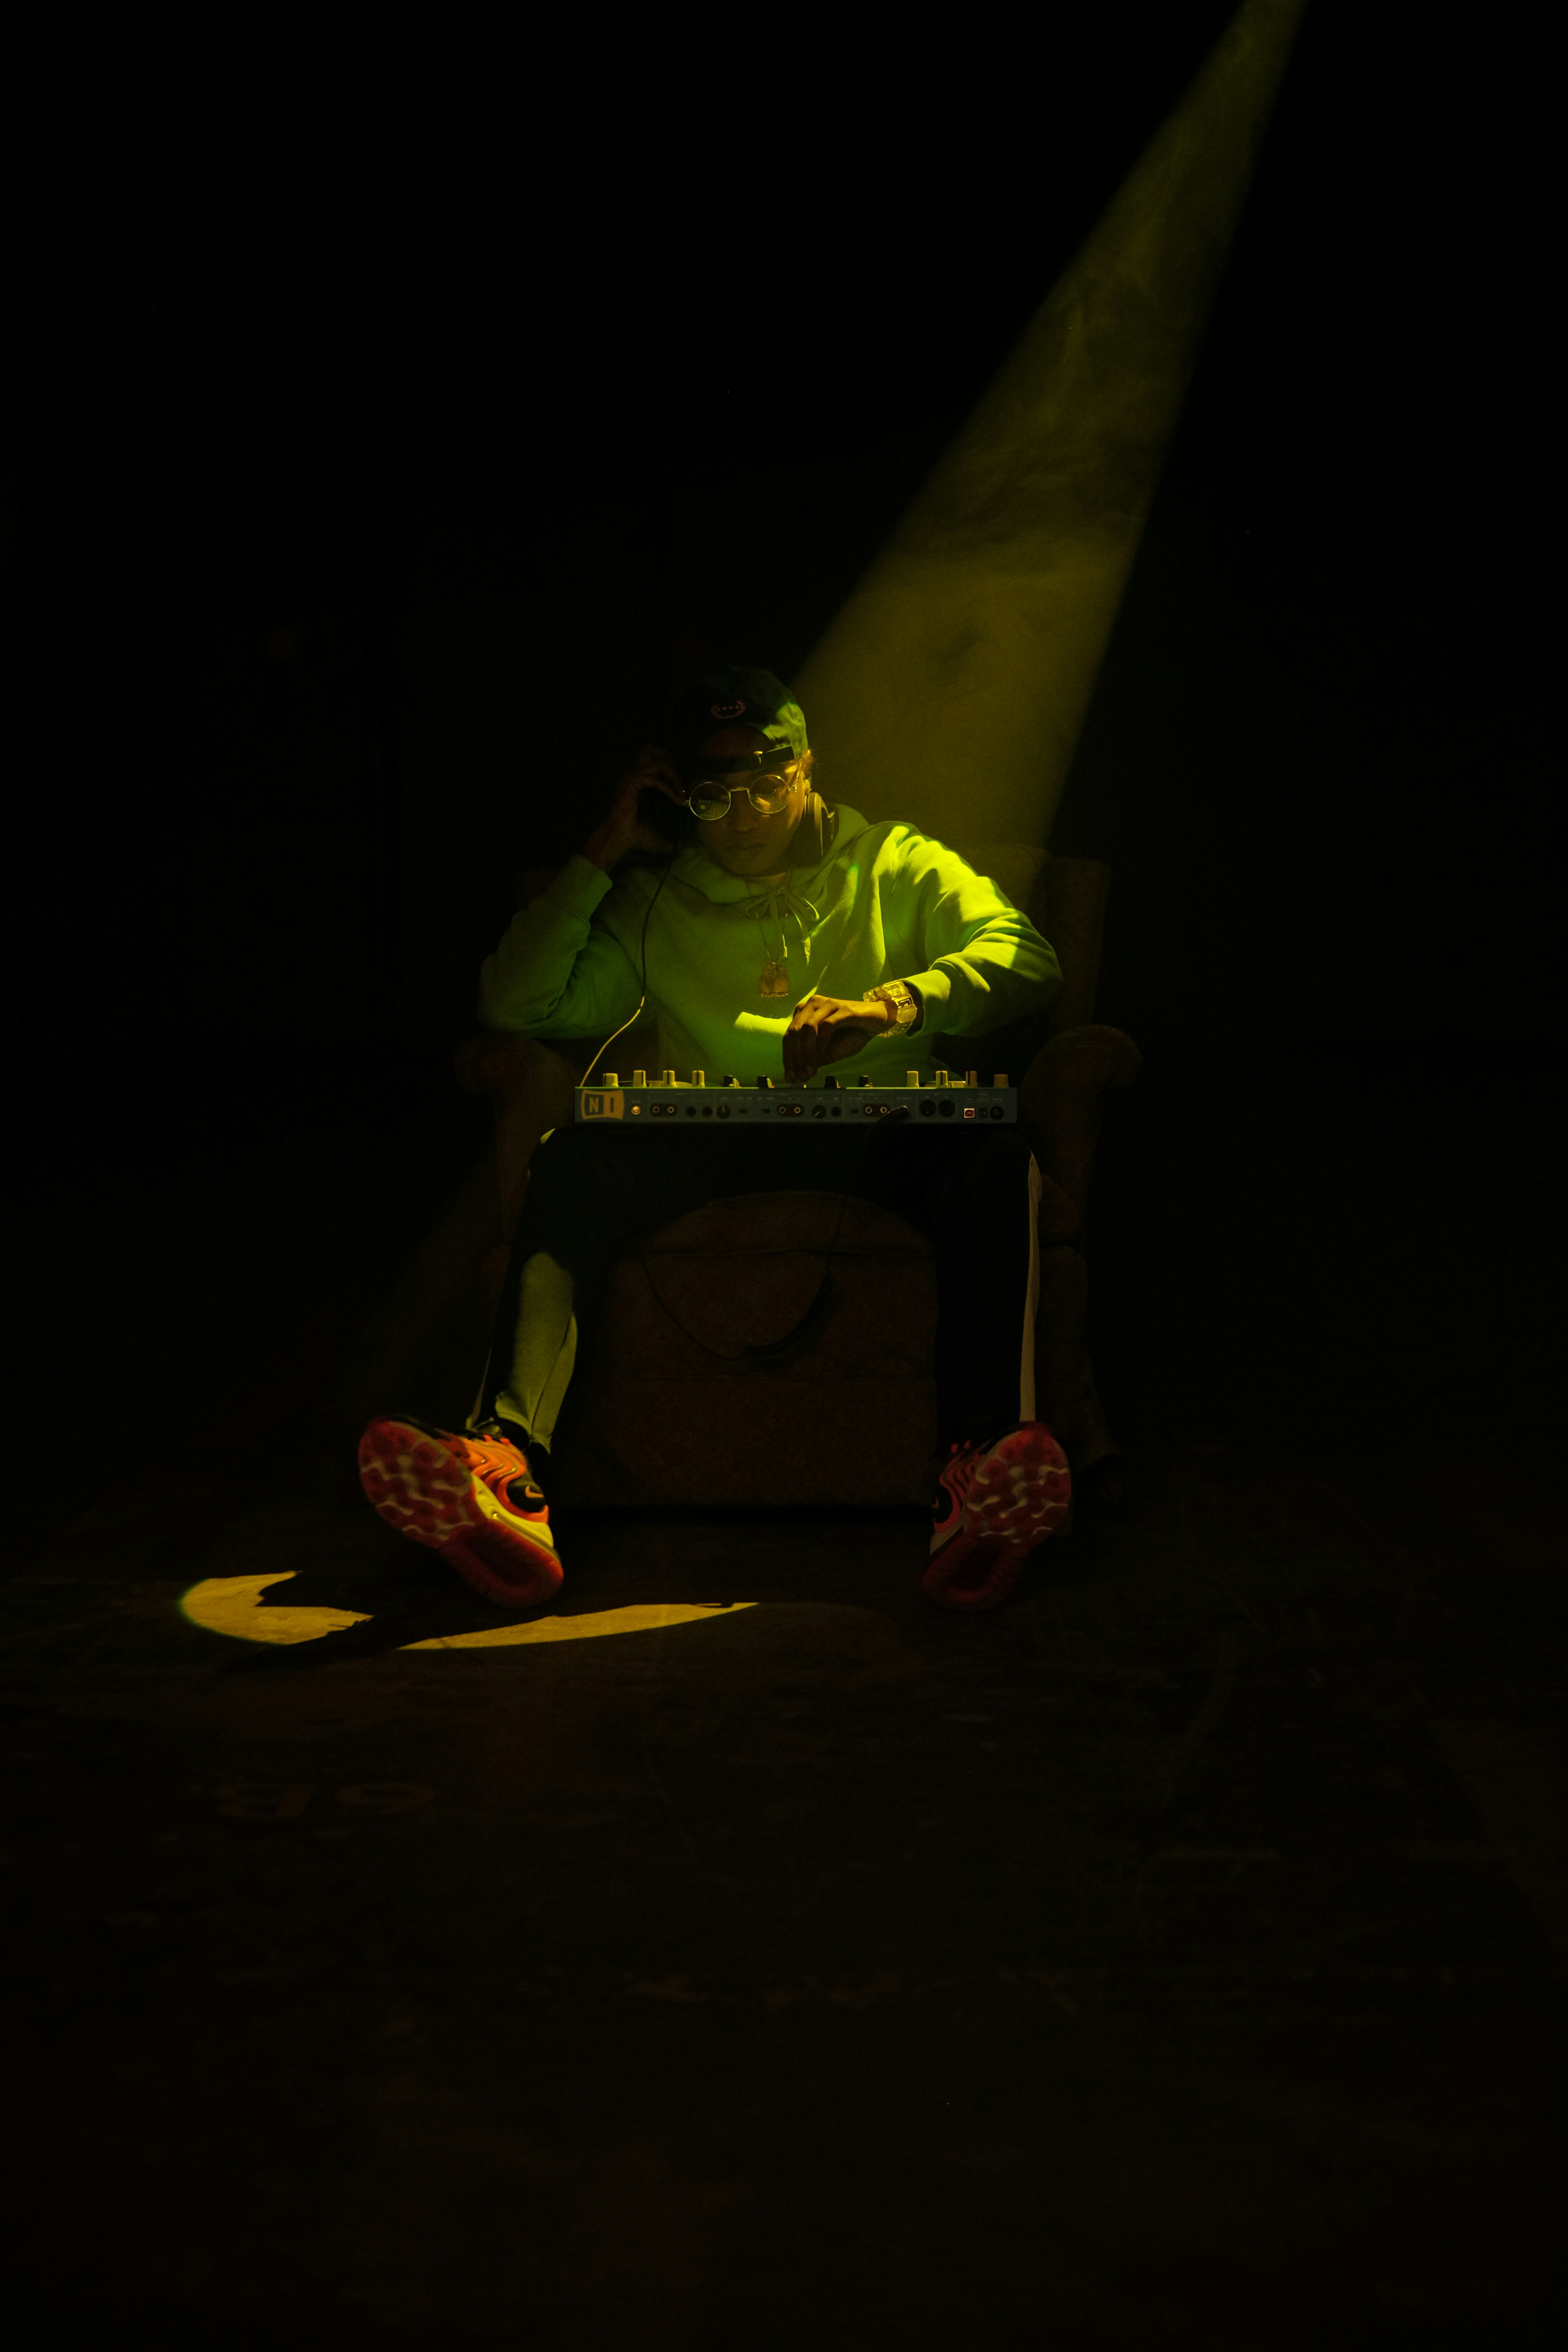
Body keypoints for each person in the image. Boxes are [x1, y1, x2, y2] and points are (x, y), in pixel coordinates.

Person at [358, 664, 1071, 1612]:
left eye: (763, 783)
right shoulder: (663, 896)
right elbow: (516, 1001)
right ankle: (506, 1469)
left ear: (808, 766)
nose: (738, 815)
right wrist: (608, 849)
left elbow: (1028, 960)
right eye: (710, 793)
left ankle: (979, 1478)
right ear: (676, 792)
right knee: (574, 1158)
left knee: (995, 1159)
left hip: (882, 1135)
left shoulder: (897, 863)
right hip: (712, 1141)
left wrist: (891, 1003)